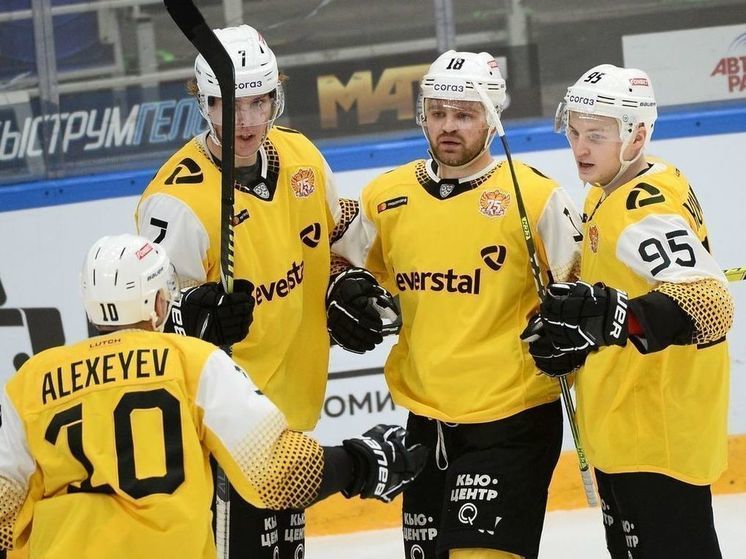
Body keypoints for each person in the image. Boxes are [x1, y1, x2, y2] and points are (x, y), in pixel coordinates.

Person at [0, 234, 426, 559]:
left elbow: (4, 508)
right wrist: (364, 462)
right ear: (159, 302)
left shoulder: (30, 381)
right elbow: (279, 474)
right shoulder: (191, 362)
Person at [135, 25, 395, 558]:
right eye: (230, 105)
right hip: (220, 429)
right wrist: (191, 318)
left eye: (259, 102)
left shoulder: (302, 158)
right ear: (205, 104)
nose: (247, 121)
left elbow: (337, 240)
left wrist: (346, 285)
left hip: (289, 420)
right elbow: (147, 324)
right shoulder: (176, 202)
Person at [338, 50, 584, 559]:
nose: (448, 126)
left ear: (492, 120)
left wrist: (570, 331)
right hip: (425, 425)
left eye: (465, 114)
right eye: (438, 113)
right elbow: (344, 271)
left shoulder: (536, 197)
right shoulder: (386, 196)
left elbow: (583, 290)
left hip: (513, 420)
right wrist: (342, 298)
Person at [527, 64, 734, 558]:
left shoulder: (643, 209)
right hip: (627, 425)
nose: (580, 148)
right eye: (574, 132)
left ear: (637, 135)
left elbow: (711, 303)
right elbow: (609, 292)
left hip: (655, 436)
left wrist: (615, 316)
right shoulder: (613, 186)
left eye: (596, 136)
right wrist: (576, 329)